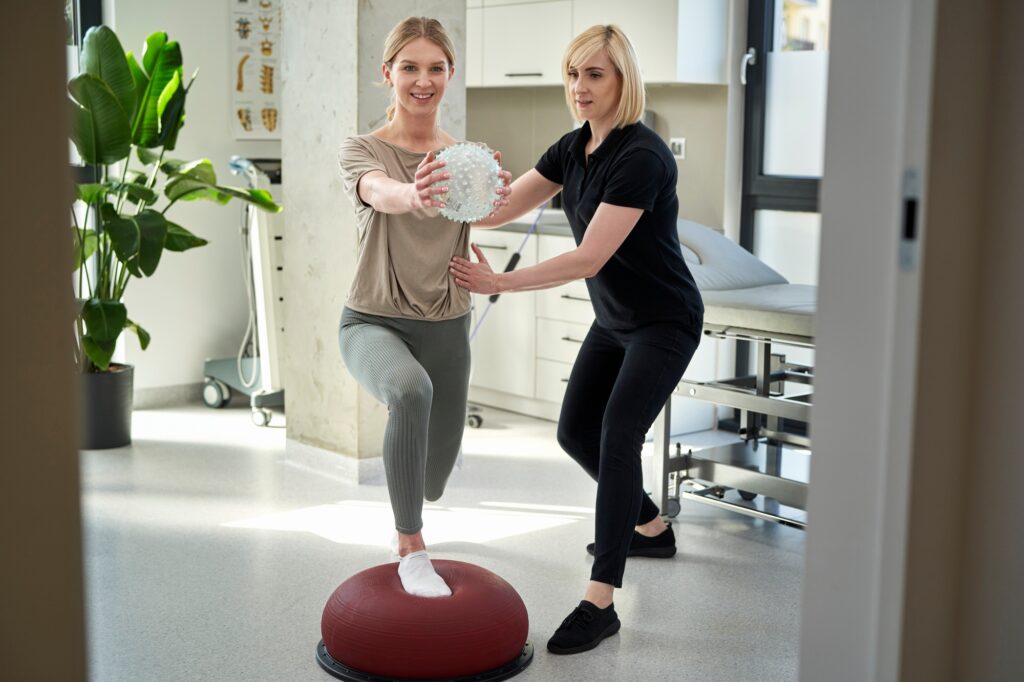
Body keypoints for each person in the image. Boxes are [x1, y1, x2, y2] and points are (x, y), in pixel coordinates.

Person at [450, 24, 704, 653]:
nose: (580, 88)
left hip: (663, 321)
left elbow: (589, 258)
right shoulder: (573, 148)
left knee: (619, 434)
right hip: (615, 321)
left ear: (623, 81)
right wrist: (448, 188)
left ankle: (600, 600)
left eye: (595, 75)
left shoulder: (643, 156)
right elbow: (501, 207)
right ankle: (649, 525)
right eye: (573, 74)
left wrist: (498, 283)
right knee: (574, 432)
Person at [337, 16, 509, 598]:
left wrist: (496, 198)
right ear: (387, 73)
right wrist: (410, 194)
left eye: (435, 68)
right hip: (372, 321)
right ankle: (410, 545)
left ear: (450, 74)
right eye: (409, 67)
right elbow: (376, 191)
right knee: (409, 391)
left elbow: (483, 213)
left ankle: (415, 509)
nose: (422, 80)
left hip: (447, 325)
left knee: (431, 478)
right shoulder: (363, 150)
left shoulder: (465, 156)